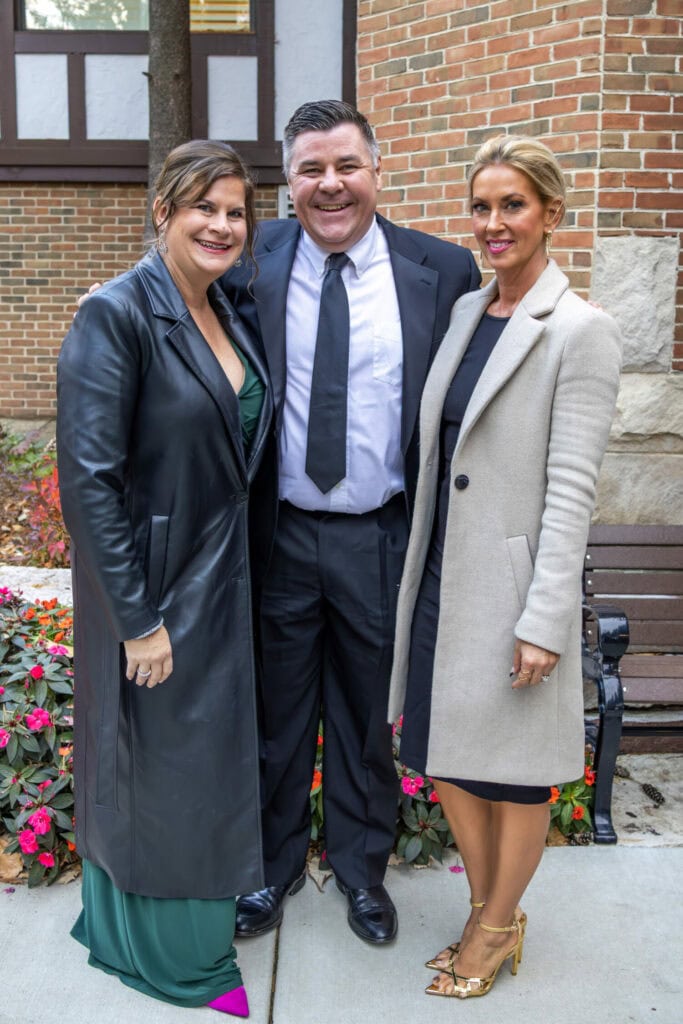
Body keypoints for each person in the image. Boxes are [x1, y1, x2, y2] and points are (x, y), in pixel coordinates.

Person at [221, 100, 481, 944]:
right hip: (280, 533)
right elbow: (170, 293)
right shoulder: (247, 260)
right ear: (288, 180)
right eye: (310, 169)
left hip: (381, 535)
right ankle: (271, 869)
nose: (329, 185)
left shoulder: (441, 270)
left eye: (345, 166)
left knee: (369, 720)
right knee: (276, 717)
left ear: (376, 170)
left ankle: (362, 874)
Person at [387, 134, 623, 998]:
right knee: (447, 756)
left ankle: (492, 930)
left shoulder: (581, 331)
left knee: (514, 775)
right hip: (440, 576)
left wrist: (544, 618)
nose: (493, 223)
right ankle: (487, 910)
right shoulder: (464, 314)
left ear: (549, 213)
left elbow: (572, 488)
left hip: (513, 587)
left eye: (512, 205)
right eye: (481, 206)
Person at [57, 140, 272, 1017]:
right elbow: (88, 483)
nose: (221, 225)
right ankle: (178, 962)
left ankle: (171, 936)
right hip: (153, 584)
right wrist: (136, 620)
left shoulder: (224, 307)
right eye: (202, 208)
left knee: (196, 766)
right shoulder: (116, 315)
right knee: (164, 769)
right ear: (163, 213)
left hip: (221, 573)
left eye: (235, 212)